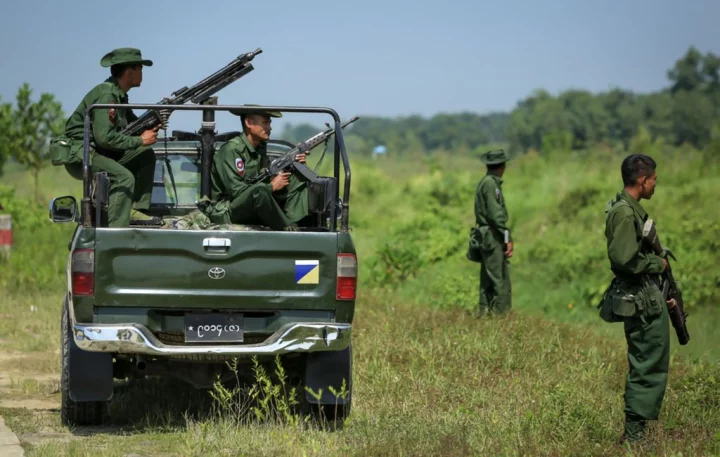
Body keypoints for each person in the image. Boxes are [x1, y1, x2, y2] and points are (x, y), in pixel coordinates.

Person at [602, 154, 672, 444]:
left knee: (650, 361)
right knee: (646, 363)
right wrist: (657, 264)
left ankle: (637, 432)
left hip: (645, 296)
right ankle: (634, 437)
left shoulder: (630, 210)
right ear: (643, 180)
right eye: (654, 179)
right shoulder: (625, 213)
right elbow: (622, 260)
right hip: (640, 300)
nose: (656, 184)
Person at [64, 47, 162, 227]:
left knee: (145, 155)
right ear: (130, 72)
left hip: (99, 151)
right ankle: (116, 231)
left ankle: (136, 210)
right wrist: (141, 140)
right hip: (83, 154)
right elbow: (104, 138)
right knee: (124, 177)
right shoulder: (107, 94)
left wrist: (155, 120)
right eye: (140, 68)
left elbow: (133, 126)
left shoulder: (119, 96)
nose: (142, 73)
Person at [208, 106, 310, 230]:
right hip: (228, 211)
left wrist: (295, 165)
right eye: (265, 123)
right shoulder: (232, 150)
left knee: (294, 178)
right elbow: (237, 192)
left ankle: (297, 223)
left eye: (269, 123)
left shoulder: (260, 149)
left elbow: (262, 179)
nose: (269, 127)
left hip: (253, 206)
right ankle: (287, 229)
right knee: (260, 191)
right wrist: (271, 186)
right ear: (249, 123)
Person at [473, 149, 514, 317]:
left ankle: (484, 314)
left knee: (488, 279)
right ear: (502, 166)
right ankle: (500, 316)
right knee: (500, 279)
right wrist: (507, 237)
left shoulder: (486, 182)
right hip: (492, 236)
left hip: (486, 235)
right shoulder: (491, 184)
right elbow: (496, 215)